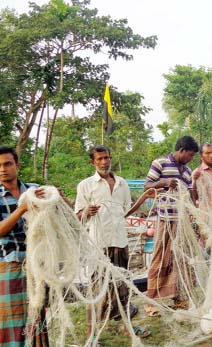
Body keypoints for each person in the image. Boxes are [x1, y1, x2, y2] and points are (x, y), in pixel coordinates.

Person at [75, 145, 154, 340]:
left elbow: (125, 212)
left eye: (107, 158)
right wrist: (85, 212)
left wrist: (144, 197)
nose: (104, 162)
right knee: (96, 289)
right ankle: (91, 334)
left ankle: (128, 327)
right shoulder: (85, 185)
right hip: (98, 245)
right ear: (92, 162)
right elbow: (77, 216)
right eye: (100, 159)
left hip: (120, 242)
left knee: (123, 288)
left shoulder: (122, 184)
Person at [143, 135, 198, 315]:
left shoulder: (188, 171)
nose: (191, 159)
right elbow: (147, 186)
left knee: (180, 259)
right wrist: (164, 182)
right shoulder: (160, 164)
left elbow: (189, 196)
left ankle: (178, 297)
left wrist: (193, 216)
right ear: (181, 151)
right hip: (164, 219)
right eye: (189, 155)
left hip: (181, 222)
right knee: (160, 257)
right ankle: (151, 301)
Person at [0, 146, 49, 347]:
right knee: (10, 320)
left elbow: (55, 223)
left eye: (8, 164)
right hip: (8, 265)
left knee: (35, 317)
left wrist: (57, 200)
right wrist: (21, 209)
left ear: (17, 165)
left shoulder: (33, 190)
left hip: (36, 266)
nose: (3, 169)